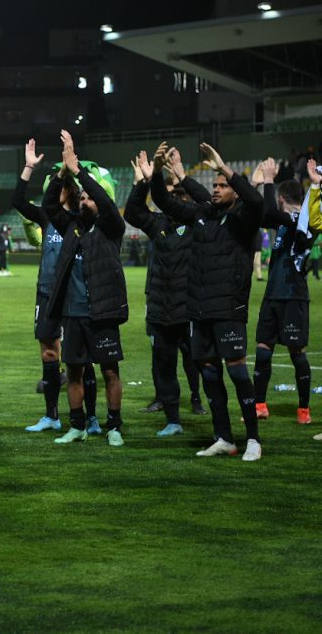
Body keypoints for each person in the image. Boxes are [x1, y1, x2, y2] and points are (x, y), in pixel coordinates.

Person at [148, 142, 264, 460]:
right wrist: (158, 170)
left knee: (238, 374)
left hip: (228, 309)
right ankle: (224, 437)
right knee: (210, 375)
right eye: (213, 184)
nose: (216, 188)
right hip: (199, 311)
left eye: (222, 186)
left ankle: (253, 438)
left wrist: (225, 168)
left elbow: (255, 198)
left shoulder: (244, 219)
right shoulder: (201, 215)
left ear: (235, 192)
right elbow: (161, 199)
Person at [42, 130, 128, 446]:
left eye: (88, 197)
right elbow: (50, 204)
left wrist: (80, 171)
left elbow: (105, 201)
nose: (84, 200)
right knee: (75, 373)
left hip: (102, 311)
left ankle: (114, 426)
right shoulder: (71, 228)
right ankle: (77, 425)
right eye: (81, 197)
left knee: (109, 372)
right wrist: (63, 172)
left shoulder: (110, 228)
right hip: (73, 312)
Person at [12, 139, 100, 434]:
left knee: (80, 358)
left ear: (67, 189)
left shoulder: (81, 219)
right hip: (47, 292)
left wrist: (68, 168)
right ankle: (51, 416)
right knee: (49, 354)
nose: (51, 187)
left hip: (74, 293)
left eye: (56, 182)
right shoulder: (47, 216)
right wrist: (28, 168)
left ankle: (91, 418)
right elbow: (18, 202)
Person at [124, 145, 208, 437]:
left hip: (190, 307)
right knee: (164, 364)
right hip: (161, 307)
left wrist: (178, 177)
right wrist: (142, 182)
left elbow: (206, 201)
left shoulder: (197, 223)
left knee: (199, 361)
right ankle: (173, 419)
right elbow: (133, 212)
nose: (173, 202)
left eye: (178, 197)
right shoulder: (158, 223)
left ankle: (202, 402)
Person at [252, 158, 316, 424]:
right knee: (263, 348)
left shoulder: (300, 220)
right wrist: (257, 185)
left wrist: (268, 180)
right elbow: (262, 213)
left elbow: (266, 213)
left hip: (292, 295)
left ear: (281, 198)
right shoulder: (285, 220)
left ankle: (303, 409)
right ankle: (259, 405)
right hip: (274, 293)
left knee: (296, 352)